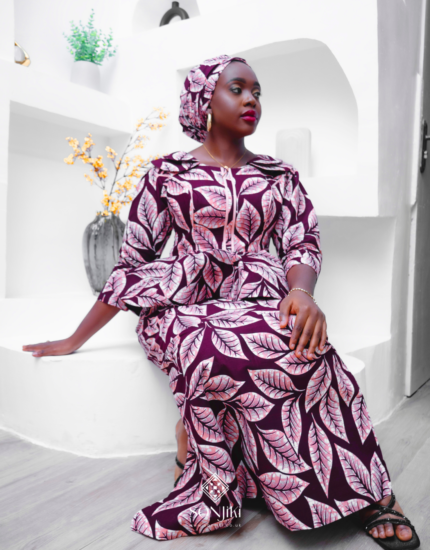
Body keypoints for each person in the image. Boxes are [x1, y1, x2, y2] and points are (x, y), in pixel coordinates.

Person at [22, 54, 420, 548]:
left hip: (260, 296)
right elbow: (132, 265)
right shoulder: (165, 174)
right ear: (203, 100)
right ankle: (215, 484)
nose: (252, 99)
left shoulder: (280, 176)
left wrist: (301, 294)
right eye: (237, 88)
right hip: (180, 304)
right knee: (211, 349)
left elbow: (302, 242)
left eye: (257, 91)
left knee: (310, 352)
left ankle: (368, 493)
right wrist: (73, 339)